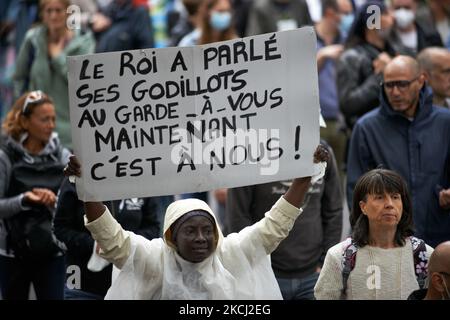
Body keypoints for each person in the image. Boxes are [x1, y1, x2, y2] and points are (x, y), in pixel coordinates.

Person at [63, 145, 328, 299]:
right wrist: (89, 189)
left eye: (207, 230)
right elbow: (111, 238)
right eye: (190, 231)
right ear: (171, 236)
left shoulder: (230, 252)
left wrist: (303, 180)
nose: (201, 238)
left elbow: (274, 225)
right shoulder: (153, 257)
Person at [346, 55, 450, 247]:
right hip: (389, 242)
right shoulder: (367, 128)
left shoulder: (445, 122)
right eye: (389, 85)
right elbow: (356, 190)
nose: (395, 92)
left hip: (441, 238)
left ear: (420, 81)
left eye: (402, 84)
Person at [225, 141, 343, 300]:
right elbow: (238, 216)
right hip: (265, 274)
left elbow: (333, 210)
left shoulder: (321, 152)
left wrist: (326, 263)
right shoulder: (250, 152)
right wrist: (250, 266)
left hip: (313, 273)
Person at [315, 169, 434, 300]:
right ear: (363, 207)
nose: (389, 204)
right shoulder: (340, 256)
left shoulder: (424, 255)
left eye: (395, 197)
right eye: (379, 197)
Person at [0, 90, 71, 299]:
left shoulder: (63, 156)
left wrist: (53, 202)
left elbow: (73, 209)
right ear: (25, 121)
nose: (51, 125)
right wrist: (24, 200)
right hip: (12, 254)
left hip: (53, 253)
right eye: (44, 119)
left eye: (53, 119)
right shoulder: (5, 156)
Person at [54, 177, 161, 299]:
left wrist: (124, 244)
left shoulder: (141, 178)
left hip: (131, 287)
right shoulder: (77, 178)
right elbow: (59, 230)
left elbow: (153, 228)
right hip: (80, 284)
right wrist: (94, 245)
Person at [13, 0, 95, 149]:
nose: (53, 16)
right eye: (48, 11)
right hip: (36, 135)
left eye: (58, 10)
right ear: (42, 14)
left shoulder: (84, 42)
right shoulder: (32, 40)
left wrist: (58, 58)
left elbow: (85, 84)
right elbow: (19, 77)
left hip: (72, 136)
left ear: (68, 12)